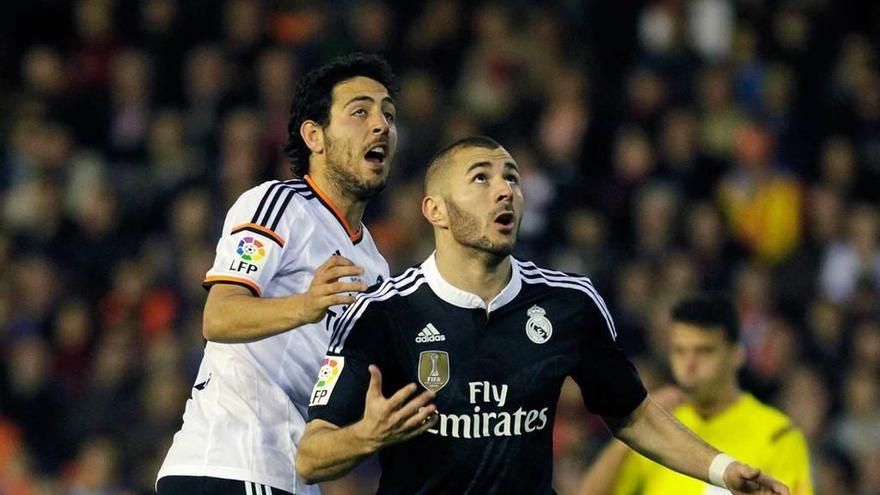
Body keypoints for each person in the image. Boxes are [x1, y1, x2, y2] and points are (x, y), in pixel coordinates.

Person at [295, 136, 791, 495]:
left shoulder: (569, 303)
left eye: (511, 177)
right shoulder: (382, 313)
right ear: (435, 210)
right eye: (482, 179)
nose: (505, 189)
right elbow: (311, 456)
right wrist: (367, 435)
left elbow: (633, 414)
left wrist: (723, 469)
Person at [156, 53, 399, 495]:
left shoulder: (376, 268)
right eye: (360, 111)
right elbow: (219, 318)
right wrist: (306, 305)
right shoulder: (279, 205)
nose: (380, 124)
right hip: (232, 464)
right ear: (314, 136)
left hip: (291, 476)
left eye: (387, 113)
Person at [578, 295, 814, 495]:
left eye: (704, 351)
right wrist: (633, 426)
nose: (688, 365)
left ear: (736, 354)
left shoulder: (777, 435)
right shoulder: (659, 428)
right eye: (679, 351)